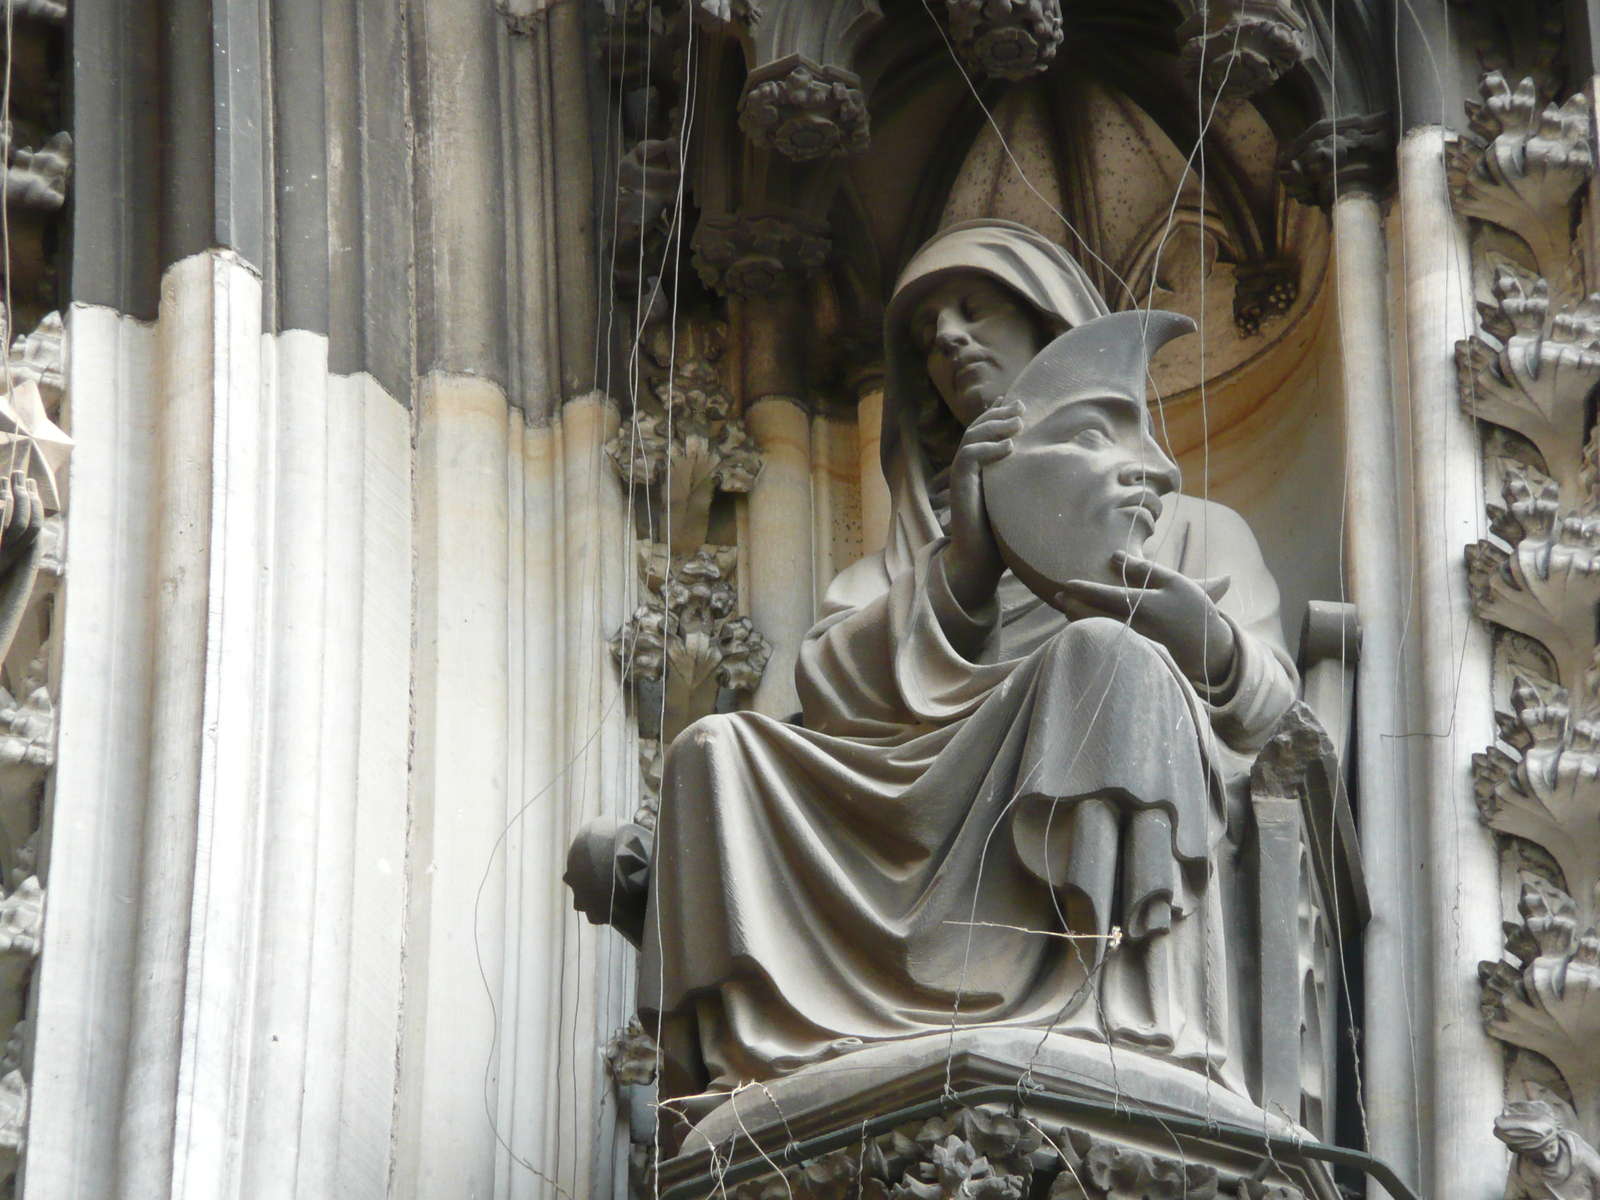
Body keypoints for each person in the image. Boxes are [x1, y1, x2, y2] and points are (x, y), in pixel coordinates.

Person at [636, 219, 1297, 1112]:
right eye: (925, 333)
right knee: (710, 750)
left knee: (1102, 654)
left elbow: (1273, 714)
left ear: (1051, 325)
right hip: (914, 808)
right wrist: (966, 566)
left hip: (1079, 841)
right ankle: (754, 1066)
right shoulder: (897, 569)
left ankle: (1112, 1010)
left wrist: (1197, 637)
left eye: (975, 310)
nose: (948, 337)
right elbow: (835, 707)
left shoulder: (1187, 529)